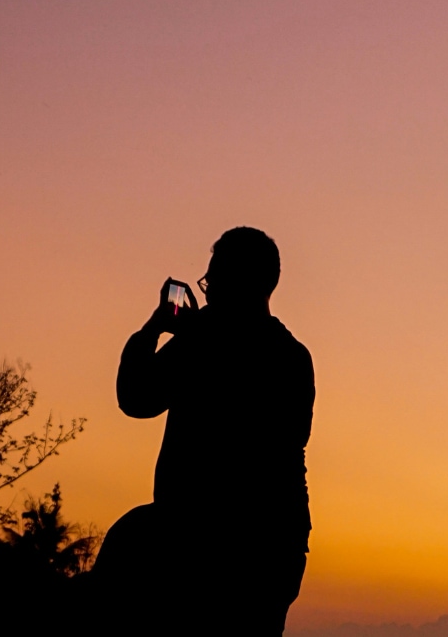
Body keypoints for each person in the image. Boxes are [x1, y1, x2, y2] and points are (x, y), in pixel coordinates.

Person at [108, 226, 315, 634]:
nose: (208, 291)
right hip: (277, 544)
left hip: (195, 541)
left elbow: (135, 398)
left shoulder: (202, 340)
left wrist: (155, 327)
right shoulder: (294, 356)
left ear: (233, 281)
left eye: (213, 280)